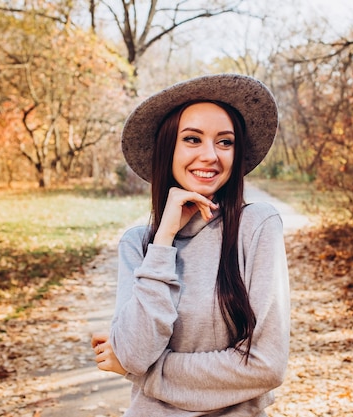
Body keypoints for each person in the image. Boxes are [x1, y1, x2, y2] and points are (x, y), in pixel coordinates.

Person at [91, 73, 290, 416]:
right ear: (168, 148)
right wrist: (163, 241)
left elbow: (266, 365)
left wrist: (148, 373)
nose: (210, 155)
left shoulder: (257, 226)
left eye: (225, 142)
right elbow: (135, 353)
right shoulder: (138, 244)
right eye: (193, 139)